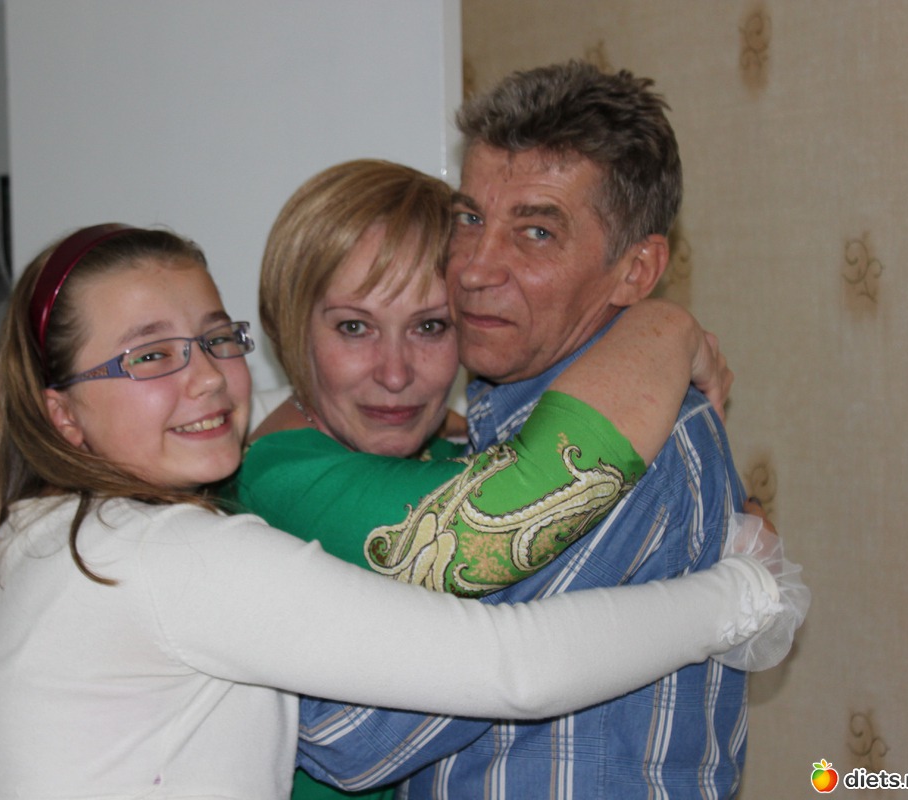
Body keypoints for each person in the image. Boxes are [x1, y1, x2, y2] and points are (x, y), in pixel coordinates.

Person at [0, 222, 787, 800]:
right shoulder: (166, 558)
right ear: (62, 412)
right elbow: (515, 668)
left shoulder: (39, 533)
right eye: (149, 356)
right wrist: (746, 591)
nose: (207, 379)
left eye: (216, 339)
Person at [291, 62, 801, 798]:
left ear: (636, 271)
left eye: (536, 231)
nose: (474, 270)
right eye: (469, 219)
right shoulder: (499, 412)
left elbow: (354, 737)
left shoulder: (627, 449)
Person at [234, 159, 737, 800]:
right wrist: (665, 327)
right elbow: (501, 519)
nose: (395, 374)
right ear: (288, 325)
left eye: (430, 327)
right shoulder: (282, 477)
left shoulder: (440, 442)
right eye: (353, 327)